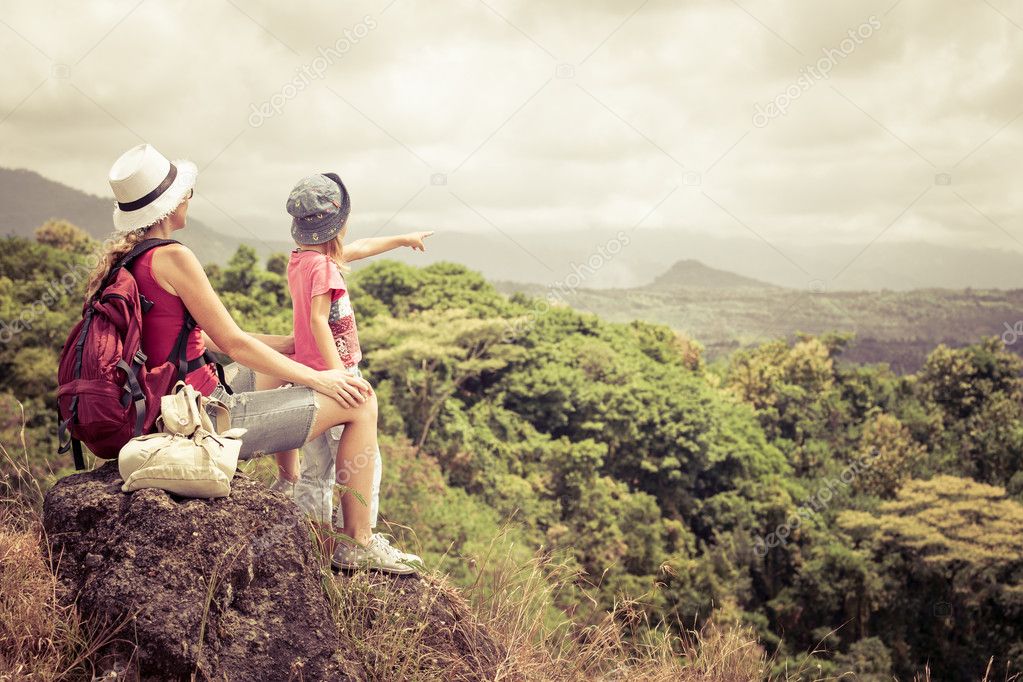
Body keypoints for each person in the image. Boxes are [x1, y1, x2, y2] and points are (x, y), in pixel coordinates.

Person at [89, 143, 416, 573]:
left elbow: (204, 341)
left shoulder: (130, 262)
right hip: (199, 416)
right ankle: (358, 542)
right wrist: (321, 379)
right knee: (361, 400)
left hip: (168, 402)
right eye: (185, 192)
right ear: (169, 206)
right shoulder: (174, 257)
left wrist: (288, 347)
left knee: (277, 371)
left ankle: (290, 483)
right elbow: (237, 345)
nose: (190, 197)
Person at [264, 172, 431, 571]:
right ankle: (357, 543)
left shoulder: (304, 259)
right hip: (334, 376)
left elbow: (358, 248)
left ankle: (314, 541)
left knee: (317, 469)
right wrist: (340, 376)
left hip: (308, 376)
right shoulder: (324, 267)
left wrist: (402, 238)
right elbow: (321, 321)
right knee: (361, 465)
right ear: (336, 225)